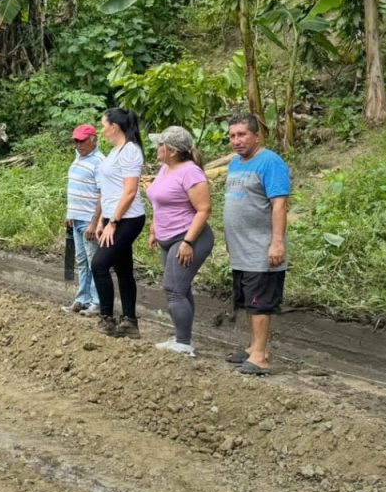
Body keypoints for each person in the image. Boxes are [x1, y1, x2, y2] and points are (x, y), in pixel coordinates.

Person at [223, 114, 290, 375]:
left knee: (259, 302)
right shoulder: (235, 164)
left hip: (261, 248)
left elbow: (279, 205)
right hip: (241, 249)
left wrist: (277, 243)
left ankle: (261, 356)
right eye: (232, 136)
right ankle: (253, 347)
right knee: (248, 301)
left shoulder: (270, 162)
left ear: (257, 136)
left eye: (242, 135)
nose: (236, 140)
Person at [146, 126, 215, 357]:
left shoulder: (190, 173)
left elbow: (204, 209)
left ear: (173, 151)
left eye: (161, 145)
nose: (157, 148)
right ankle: (181, 337)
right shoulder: (166, 168)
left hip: (188, 237)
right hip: (168, 236)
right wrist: (154, 228)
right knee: (180, 289)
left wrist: (187, 242)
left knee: (173, 289)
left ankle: (183, 344)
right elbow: (159, 201)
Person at [91, 108, 147, 338]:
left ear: (114, 127)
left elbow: (130, 191)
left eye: (103, 125)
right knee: (123, 270)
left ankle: (107, 318)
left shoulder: (130, 151)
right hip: (113, 217)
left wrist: (113, 222)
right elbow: (109, 190)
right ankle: (130, 321)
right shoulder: (115, 151)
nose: (102, 129)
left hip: (128, 219)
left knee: (99, 265)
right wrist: (102, 220)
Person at [62, 123, 105, 316]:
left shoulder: (100, 162)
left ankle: (97, 302)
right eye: (76, 141)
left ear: (93, 140)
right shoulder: (78, 158)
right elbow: (74, 187)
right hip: (76, 218)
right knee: (81, 261)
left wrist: (95, 223)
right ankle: (82, 299)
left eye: (82, 141)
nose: (78, 145)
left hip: (89, 220)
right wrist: (70, 213)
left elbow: (103, 194)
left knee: (94, 262)